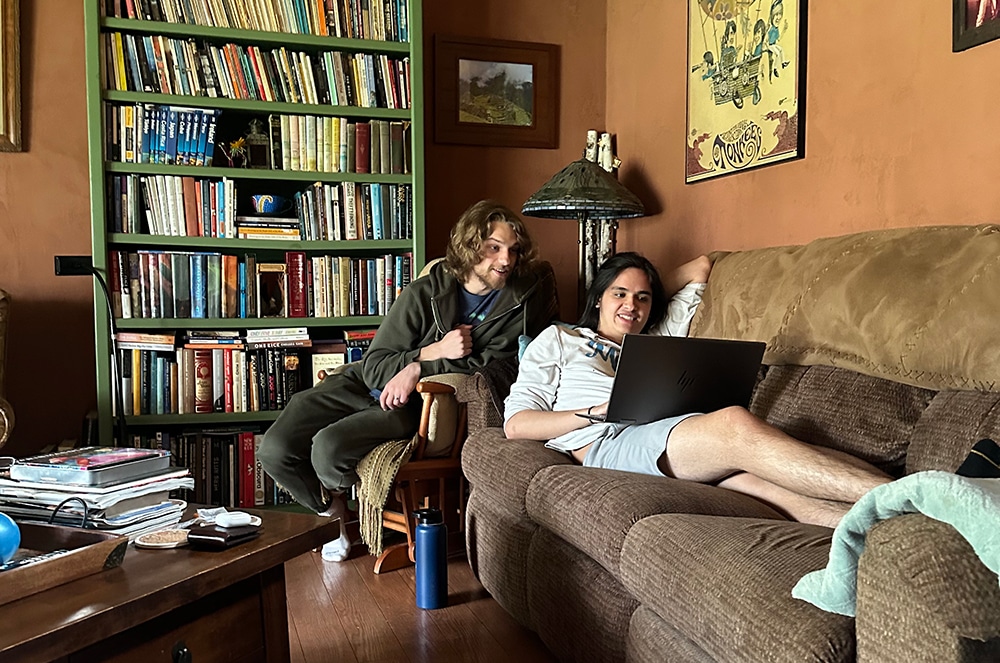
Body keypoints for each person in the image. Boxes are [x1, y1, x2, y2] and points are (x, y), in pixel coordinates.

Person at [503, 252, 893, 529]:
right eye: (619, 293)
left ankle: (909, 521)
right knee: (735, 425)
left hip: (670, 432)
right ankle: (908, 494)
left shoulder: (656, 339)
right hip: (606, 443)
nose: (631, 305)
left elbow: (700, 267)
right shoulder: (560, 338)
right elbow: (517, 425)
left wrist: (649, 290)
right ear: (598, 298)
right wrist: (597, 410)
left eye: (643, 297)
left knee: (768, 488)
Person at [259, 200, 556, 561]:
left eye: (512, 250)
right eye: (494, 247)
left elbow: (484, 364)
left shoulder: (517, 303)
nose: (505, 260)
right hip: (359, 385)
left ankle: (337, 505)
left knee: (327, 450)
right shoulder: (425, 292)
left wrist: (417, 370)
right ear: (470, 245)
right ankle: (329, 509)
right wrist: (428, 353)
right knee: (274, 448)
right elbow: (375, 366)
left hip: (414, 402)